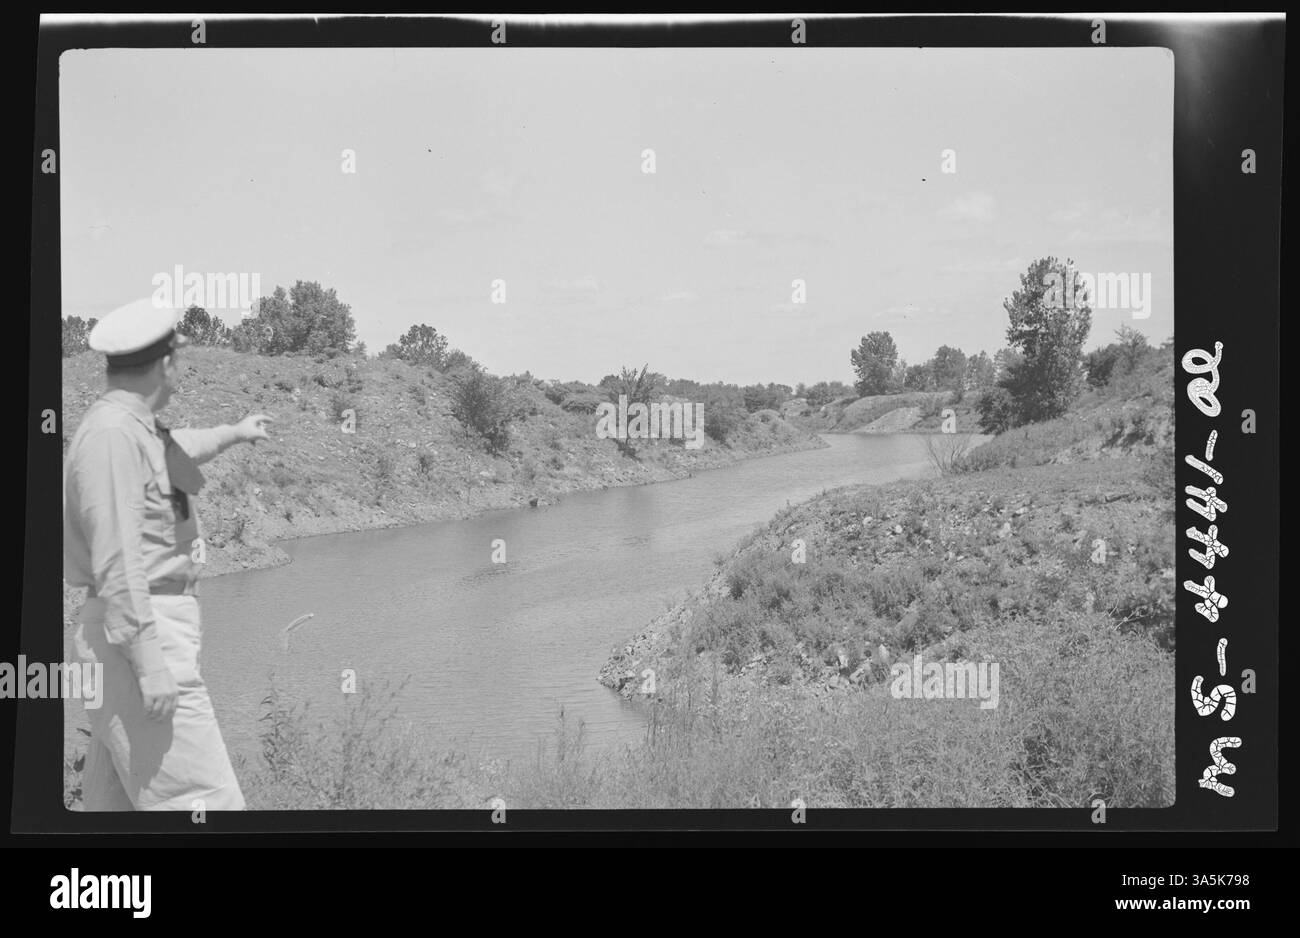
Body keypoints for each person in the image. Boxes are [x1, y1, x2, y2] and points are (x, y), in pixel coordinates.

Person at [63, 297, 272, 811]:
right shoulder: (113, 436)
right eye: (179, 356)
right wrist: (151, 664)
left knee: (118, 811)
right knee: (204, 805)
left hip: (129, 638)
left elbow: (185, 445)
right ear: (164, 363)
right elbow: (116, 559)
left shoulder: (133, 428)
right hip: (136, 638)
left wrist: (237, 432)